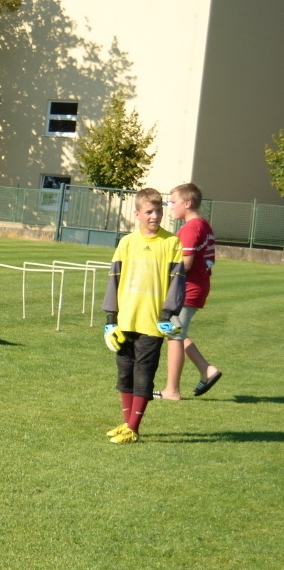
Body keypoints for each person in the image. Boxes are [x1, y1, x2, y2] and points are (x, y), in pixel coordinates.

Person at [102, 188, 186, 444]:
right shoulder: (127, 242)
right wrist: (110, 319)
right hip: (126, 321)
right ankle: (127, 424)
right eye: (149, 211)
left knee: (144, 374)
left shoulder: (171, 243)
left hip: (152, 322)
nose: (155, 215)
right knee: (125, 372)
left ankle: (134, 428)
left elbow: (177, 282)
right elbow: (113, 280)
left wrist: (167, 313)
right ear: (137, 214)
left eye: (159, 210)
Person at [157, 183, 221, 400]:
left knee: (174, 336)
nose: (170, 206)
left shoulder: (191, 228)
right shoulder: (201, 224)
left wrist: (159, 272)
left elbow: (186, 263)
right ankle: (206, 369)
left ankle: (172, 390)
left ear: (188, 203)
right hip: (194, 287)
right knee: (175, 331)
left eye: (173, 202)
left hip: (187, 289)